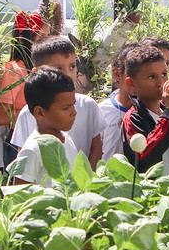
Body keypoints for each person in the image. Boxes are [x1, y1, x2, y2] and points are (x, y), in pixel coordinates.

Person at [10, 36, 103, 169]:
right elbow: (23, 163)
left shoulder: (88, 105)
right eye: (58, 68)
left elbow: (96, 150)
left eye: (72, 66)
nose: (68, 74)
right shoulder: (27, 113)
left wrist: (86, 182)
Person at [121, 45, 169, 174]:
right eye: (151, 77)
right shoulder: (133, 117)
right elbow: (145, 158)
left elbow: (167, 160)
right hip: (147, 191)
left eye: (164, 74)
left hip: (168, 187)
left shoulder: (163, 113)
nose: (161, 83)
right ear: (131, 84)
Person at [0, 11, 49, 167]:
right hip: (20, 142)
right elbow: (1, 117)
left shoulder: (34, 68)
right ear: (23, 39)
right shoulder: (14, 70)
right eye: (42, 38)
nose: (46, 43)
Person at [13, 66, 78, 186]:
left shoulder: (66, 137)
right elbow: (18, 195)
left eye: (73, 105)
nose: (74, 112)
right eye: (66, 108)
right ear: (40, 112)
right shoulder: (33, 149)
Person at [98, 42, 141, 161]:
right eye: (132, 73)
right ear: (117, 74)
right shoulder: (102, 111)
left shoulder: (151, 110)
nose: (137, 80)